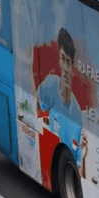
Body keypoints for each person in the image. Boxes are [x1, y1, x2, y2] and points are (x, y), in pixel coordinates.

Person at [37, 27, 84, 164]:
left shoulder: (76, 113)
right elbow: (33, 107)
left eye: (68, 62)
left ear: (72, 67)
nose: (65, 66)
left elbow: (78, 160)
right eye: (62, 59)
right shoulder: (49, 84)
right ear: (59, 60)